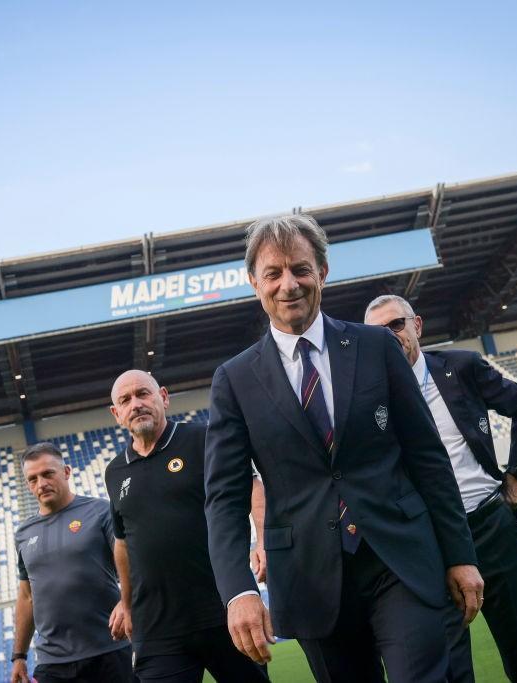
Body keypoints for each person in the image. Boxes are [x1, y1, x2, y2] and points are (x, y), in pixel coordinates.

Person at [204, 214, 483, 683]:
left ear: (323, 273)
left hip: (401, 558)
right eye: (273, 273)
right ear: (254, 283)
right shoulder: (233, 380)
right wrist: (238, 591)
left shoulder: (376, 346)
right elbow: (225, 498)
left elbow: (427, 456)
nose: (288, 284)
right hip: (309, 577)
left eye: (300, 269)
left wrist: (461, 554)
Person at [365, 294, 517, 683]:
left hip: (491, 525)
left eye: (396, 325)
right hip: (430, 546)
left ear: (416, 326)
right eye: (377, 334)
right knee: (449, 670)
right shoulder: (369, 399)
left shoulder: (461, 366)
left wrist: (516, 474)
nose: (390, 337)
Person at [105, 370, 270, 683]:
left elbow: (251, 486)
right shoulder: (115, 472)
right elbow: (123, 543)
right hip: (157, 627)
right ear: (117, 414)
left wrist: (262, 541)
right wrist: (126, 605)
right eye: (125, 400)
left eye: (143, 393)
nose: (136, 404)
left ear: (163, 397)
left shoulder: (204, 438)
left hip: (223, 610)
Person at [11, 443, 133, 683]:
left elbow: (131, 563)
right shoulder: (23, 533)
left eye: (48, 474)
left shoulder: (100, 511)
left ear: (66, 472)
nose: (41, 484)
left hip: (108, 650)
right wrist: (19, 656)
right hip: (52, 662)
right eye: (33, 479)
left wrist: (127, 602)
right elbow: (26, 597)